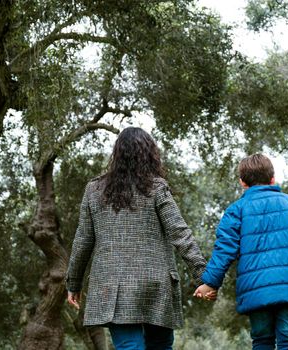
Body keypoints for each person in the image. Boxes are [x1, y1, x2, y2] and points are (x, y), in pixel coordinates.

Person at [66, 127, 212, 350]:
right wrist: (204, 276)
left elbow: (83, 240)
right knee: (160, 346)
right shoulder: (157, 187)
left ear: (117, 154)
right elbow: (180, 233)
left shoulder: (93, 190)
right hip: (155, 283)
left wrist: (73, 283)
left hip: (112, 285)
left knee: (128, 346)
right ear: (150, 153)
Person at [194, 154, 288, 350]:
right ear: (273, 179)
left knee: (262, 342)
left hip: (256, 290)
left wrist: (210, 283)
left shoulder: (236, 210)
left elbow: (224, 250)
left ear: (242, 182)